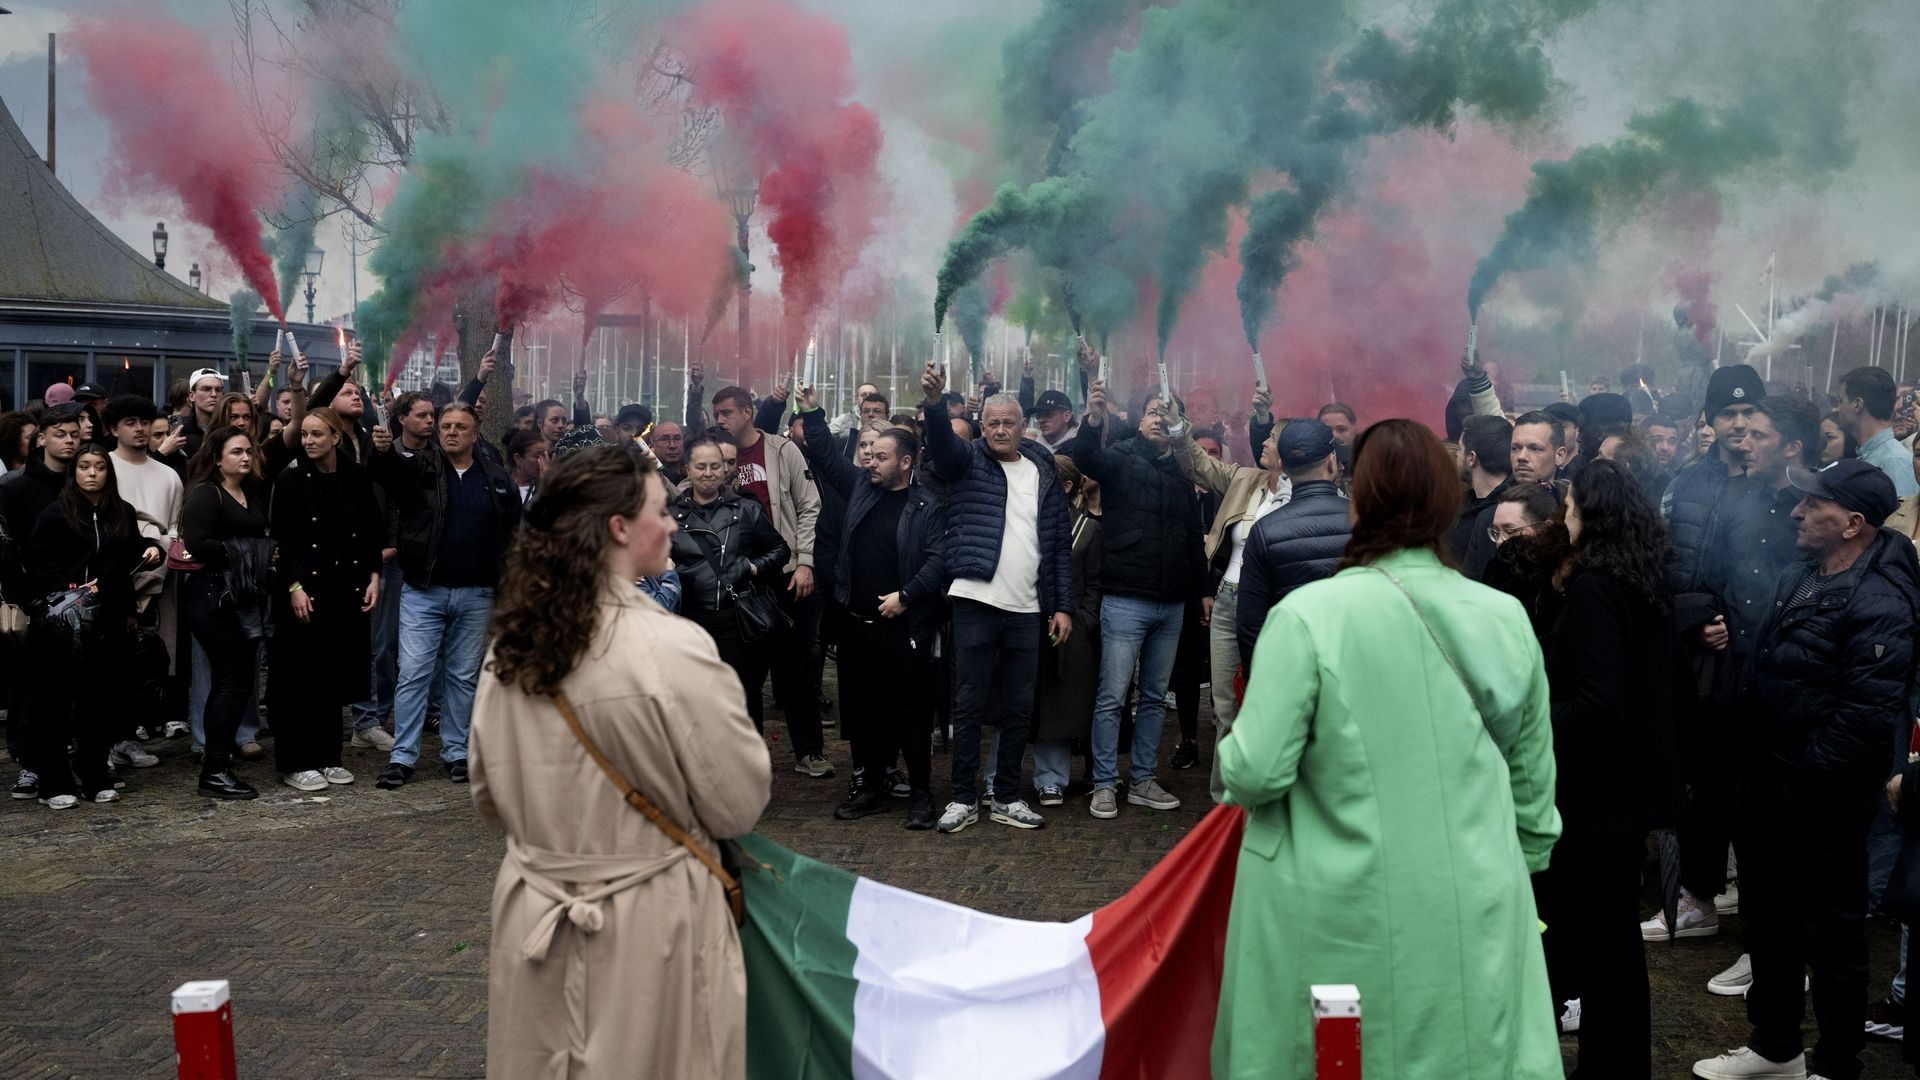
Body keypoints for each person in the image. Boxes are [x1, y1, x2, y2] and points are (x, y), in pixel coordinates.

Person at [1214, 419, 1561, 1078]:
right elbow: (1533, 789)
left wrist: (1231, 751)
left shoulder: (1308, 616)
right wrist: (1513, 868)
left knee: (1339, 1056)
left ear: (1358, 501)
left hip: (1336, 906)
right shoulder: (1503, 617)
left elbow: (1256, 772)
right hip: (1469, 896)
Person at [472, 445, 770, 1078]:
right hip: (647, 922)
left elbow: (488, 794)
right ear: (619, 528)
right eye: (661, 511)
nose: (672, 524)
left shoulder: (512, 644)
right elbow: (737, 804)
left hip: (535, 907)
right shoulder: (672, 647)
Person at [1693, 459, 1920, 1080]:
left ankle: (1837, 1063)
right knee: (1768, 921)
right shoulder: (1802, 573)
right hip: (1768, 781)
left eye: (1814, 504)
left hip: (1823, 797)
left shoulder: (1881, 599)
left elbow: (1865, 715)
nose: (1797, 511)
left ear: (1852, 523)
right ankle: (1776, 1048)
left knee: (1832, 933)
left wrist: (1802, 784)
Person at [1535, 459, 1685, 1077]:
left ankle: (1612, 1068)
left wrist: (1535, 719)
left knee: (1606, 943)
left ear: (1592, 514)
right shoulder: (1643, 579)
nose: (1564, 516)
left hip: (1598, 793)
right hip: (1632, 786)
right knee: (1612, 937)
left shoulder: (1596, 587)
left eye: (1570, 506)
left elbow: (1597, 702)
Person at [922, 363, 1074, 833]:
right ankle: (963, 798)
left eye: (1009, 422)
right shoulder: (965, 461)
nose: (1001, 430)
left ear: (1023, 427)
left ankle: (1006, 796)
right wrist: (934, 404)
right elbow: (941, 446)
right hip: (974, 600)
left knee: (1019, 708)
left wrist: (1062, 606)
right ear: (982, 427)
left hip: (1028, 608)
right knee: (968, 705)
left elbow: (1058, 544)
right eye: (993, 423)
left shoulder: (1043, 471)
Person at [1650, 364, 1764, 943]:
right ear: (1710, 419)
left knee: (1749, 788)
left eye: (1748, 412)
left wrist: (1736, 628)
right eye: (1727, 413)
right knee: (1700, 777)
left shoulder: (1783, 483)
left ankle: (1757, 920)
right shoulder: (1687, 482)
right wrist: (1694, 622)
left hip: (1758, 660)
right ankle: (1697, 897)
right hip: (1697, 655)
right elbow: (1667, 563)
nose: (1738, 424)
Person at [795, 391, 945, 829]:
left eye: (881, 456)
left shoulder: (928, 505)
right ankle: (869, 788)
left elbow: (939, 560)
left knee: (911, 712)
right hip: (857, 626)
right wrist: (811, 411)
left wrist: (907, 596)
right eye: (869, 454)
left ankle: (921, 794)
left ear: (906, 462)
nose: (870, 462)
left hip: (905, 626)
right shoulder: (861, 486)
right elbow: (827, 457)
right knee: (863, 711)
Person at [1069, 378, 1204, 821]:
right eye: (1152, 411)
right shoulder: (1120, 457)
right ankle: (1104, 783)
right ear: (1139, 420)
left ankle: (1143, 779)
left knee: (1154, 697)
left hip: (1172, 602)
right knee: (1112, 695)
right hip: (1126, 597)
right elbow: (1086, 457)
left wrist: (1201, 590)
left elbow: (1192, 538)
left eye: (1168, 413)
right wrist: (1093, 420)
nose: (1159, 419)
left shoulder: (1184, 471)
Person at [370, 402, 522, 789]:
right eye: (446, 426)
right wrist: (383, 451)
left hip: (477, 593)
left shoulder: (496, 478)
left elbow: (512, 535)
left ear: (475, 434)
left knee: (463, 677)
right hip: (424, 591)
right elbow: (388, 473)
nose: (451, 431)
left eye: (460, 427)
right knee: (413, 673)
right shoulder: (420, 467)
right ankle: (402, 756)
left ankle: (456, 752)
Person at [21, 445, 163, 808]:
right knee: (54, 701)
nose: (92, 473)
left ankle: (94, 772)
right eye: (84, 466)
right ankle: (53, 780)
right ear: (74, 472)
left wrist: (151, 549)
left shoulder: (121, 512)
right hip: (62, 620)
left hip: (106, 619)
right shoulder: (56, 512)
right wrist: (68, 589)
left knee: (98, 700)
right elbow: (36, 563)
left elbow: (130, 554)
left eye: (99, 467)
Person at [1170, 391, 1292, 801]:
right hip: (1228, 601)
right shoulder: (1245, 480)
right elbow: (1196, 463)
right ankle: (1225, 801)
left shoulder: (1308, 494)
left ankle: (1264, 795)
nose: (1263, 443)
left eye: (1271, 438)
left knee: (1268, 701)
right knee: (1225, 706)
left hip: (1274, 605)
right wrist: (1176, 425)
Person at [709, 385, 829, 777]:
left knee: (796, 667)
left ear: (747, 412)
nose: (720, 419)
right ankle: (750, 758)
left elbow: (809, 505)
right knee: (743, 674)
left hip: (785, 572)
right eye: (716, 413)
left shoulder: (781, 449)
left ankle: (809, 751)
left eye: (727, 412)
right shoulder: (713, 455)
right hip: (737, 579)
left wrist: (805, 561)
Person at [268, 408, 382, 792]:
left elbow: (370, 531)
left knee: (334, 675)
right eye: (304, 434)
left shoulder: (357, 477)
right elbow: (282, 541)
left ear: (335, 437)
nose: (308, 441)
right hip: (303, 590)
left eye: (317, 434)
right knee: (298, 678)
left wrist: (374, 576)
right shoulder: (290, 481)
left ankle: (329, 756)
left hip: (345, 590)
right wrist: (293, 587)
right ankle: (296, 762)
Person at [667, 439, 791, 731]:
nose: (708, 473)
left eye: (715, 466)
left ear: (725, 469)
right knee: (696, 701)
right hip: (690, 622)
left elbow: (780, 550)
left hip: (736, 623)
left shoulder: (746, 510)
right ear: (687, 469)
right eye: (701, 466)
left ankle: (748, 756)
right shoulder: (671, 517)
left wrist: (752, 567)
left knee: (743, 698)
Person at [180, 426, 272, 800]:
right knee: (232, 679)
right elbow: (196, 543)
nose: (246, 457)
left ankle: (218, 766)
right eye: (236, 452)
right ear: (218, 458)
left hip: (241, 597)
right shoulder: (206, 493)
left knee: (234, 680)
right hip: (210, 596)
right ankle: (215, 769)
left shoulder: (250, 491)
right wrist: (250, 551)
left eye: (249, 451)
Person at [0, 404, 85, 799]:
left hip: (80, 595)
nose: (69, 441)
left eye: (74, 434)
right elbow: (7, 547)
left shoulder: (85, 480)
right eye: (60, 434)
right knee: (30, 685)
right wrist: (17, 598)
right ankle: (30, 763)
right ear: (41, 439)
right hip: (33, 598)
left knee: (76, 682)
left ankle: (77, 759)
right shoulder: (16, 487)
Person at [1234, 418, 1351, 678]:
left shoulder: (1265, 530)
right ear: (1332, 462)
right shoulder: (1368, 520)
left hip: (1291, 673)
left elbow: (1250, 625)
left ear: (1284, 467)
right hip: (1352, 670)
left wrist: (1262, 685)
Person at [103, 394, 183, 768]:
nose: (139, 429)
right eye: (130, 422)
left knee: (148, 659)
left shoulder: (168, 475)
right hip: (115, 575)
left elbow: (176, 525)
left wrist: (163, 544)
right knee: (109, 660)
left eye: (144, 421)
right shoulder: (103, 466)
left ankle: (129, 734)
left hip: (161, 574)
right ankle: (105, 740)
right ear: (113, 428)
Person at [1480, 484, 1571, 647]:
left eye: (1510, 531)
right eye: (1496, 531)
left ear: (1545, 528)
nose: (1500, 540)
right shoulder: (1497, 572)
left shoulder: (1559, 580)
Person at [1839, 366, 1920, 497]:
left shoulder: (1894, 461)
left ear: (1857, 405)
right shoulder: (1869, 454)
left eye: (1841, 401)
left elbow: (1902, 510)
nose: (1839, 409)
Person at [1451, 413, 1514, 575]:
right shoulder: (1461, 504)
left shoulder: (1503, 513)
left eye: (1460, 449)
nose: (1457, 455)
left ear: (1472, 458)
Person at [504, 429, 547, 509]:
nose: (542, 461)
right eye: (537, 456)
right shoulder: (502, 487)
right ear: (518, 458)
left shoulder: (543, 485)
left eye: (544, 456)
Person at [648, 420, 687, 486]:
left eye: (677, 439)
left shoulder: (694, 474)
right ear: (653, 443)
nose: (672, 445)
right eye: (665, 439)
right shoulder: (644, 476)